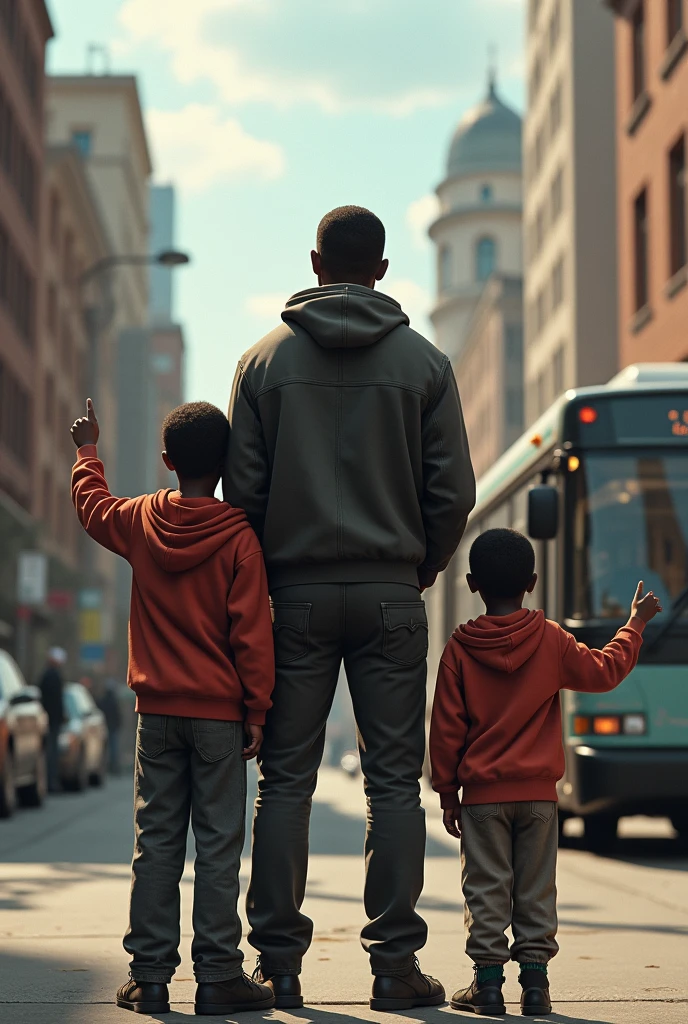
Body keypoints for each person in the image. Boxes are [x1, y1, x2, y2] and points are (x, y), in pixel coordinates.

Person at [224, 205, 476, 1010]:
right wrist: (421, 566)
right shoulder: (426, 364)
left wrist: (269, 573)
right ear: (383, 269)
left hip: (292, 595)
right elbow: (452, 492)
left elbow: (246, 492)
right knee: (393, 785)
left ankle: (280, 964)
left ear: (314, 260)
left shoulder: (261, 362)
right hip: (391, 593)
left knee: (285, 784)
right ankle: (395, 968)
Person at [70, 399, 276, 1017]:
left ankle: (150, 978)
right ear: (226, 464)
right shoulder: (240, 539)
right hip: (218, 718)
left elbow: (92, 509)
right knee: (217, 848)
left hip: (155, 715)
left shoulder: (140, 521)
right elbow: (251, 634)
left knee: (156, 843)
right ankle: (217, 977)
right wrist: (257, 709)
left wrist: (88, 451)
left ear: (166, 462)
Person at [429, 528, 662, 1016]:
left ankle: (488, 986)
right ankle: (535, 986)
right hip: (538, 797)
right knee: (536, 888)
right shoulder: (550, 639)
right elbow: (603, 671)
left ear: (472, 584)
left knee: (486, 886)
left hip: (482, 798)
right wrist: (634, 625)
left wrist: (448, 792)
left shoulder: (459, 649)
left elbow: (446, 729)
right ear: (532, 581)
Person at [39, 647, 67, 793]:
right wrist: (61, 716)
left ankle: (50, 782)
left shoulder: (47, 675)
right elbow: (56, 701)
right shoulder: (53, 676)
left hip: (49, 719)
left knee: (50, 752)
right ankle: (51, 783)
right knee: (51, 752)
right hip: (52, 721)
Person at [98, 677, 122, 775]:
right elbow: (117, 715)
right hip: (112, 727)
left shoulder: (103, 700)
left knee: (107, 748)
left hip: (106, 727)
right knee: (113, 748)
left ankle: (108, 766)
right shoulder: (113, 701)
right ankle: (113, 767)